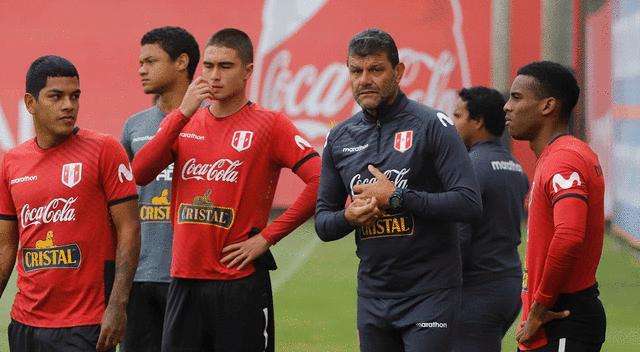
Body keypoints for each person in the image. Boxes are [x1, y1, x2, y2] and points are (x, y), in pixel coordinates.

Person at [131, 28, 321, 352]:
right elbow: (141, 172)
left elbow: (321, 180)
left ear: (248, 71)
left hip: (239, 283)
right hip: (184, 280)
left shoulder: (270, 124)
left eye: (225, 67)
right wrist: (181, 114)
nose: (214, 76)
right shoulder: (185, 121)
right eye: (208, 66)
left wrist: (267, 237)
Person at [315, 28, 482, 352]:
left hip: (430, 294)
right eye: (356, 71)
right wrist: (349, 217)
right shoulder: (340, 138)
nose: (364, 80)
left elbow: (469, 202)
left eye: (376, 70)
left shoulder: (433, 125)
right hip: (373, 296)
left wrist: (396, 197)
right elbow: (323, 222)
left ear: (399, 71)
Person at [0, 55, 140, 351]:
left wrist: (118, 306)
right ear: (30, 103)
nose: (68, 105)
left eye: (74, 96)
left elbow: (129, 229)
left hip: (86, 324)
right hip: (25, 323)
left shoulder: (104, 150)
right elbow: (5, 246)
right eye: (56, 96)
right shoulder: (11, 162)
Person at [504, 61, 606, 351]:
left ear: (548, 106)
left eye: (517, 97)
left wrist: (538, 309)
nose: (507, 107)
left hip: (560, 319)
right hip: (555, 320)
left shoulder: (564, 159)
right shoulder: (563, 154)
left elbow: (569, 235)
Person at [119, 26, 199, 352]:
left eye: (151, 61)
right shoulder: (134, 126)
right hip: (139, 275)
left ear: (181, 62)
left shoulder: (212, 119)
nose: (141, 69)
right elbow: (121, 201)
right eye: (140, 62)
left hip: (190, 277)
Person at [450, 86, 529, 351]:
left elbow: (458, 238)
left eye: (458, 116)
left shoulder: (469, 168)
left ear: (478, 121)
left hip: (478, 291)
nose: (452, 124)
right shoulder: (515, 167)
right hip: (509, 285)